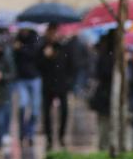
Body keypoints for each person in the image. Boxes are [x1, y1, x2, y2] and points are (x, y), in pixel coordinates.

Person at [38, 22, 79, 150]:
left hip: (62, 84)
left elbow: (72, 65)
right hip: (48, 84)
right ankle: (49, 138)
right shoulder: (42, 47)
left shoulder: (64, 47)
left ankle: (61, 135)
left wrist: (70, 82)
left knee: (64, 111)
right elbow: (37, 66)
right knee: (47, 112)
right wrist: (45, 57)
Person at [13, 28, 44, 147]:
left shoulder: (36, 40)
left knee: (35, 110)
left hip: (35, 78)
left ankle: (30, 133)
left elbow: (35, 54)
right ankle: (22, 132)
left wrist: (21, 48)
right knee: (22, 105)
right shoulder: (17, 40)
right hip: (21, 79)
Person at [89, 32, 117, 151]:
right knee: (105, 126)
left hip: (107, 96)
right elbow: (103, 74)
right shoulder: (107, 57)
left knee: (106, 126)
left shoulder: (105, 55)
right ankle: (105, 150)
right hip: (107, 96)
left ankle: (106, 148)